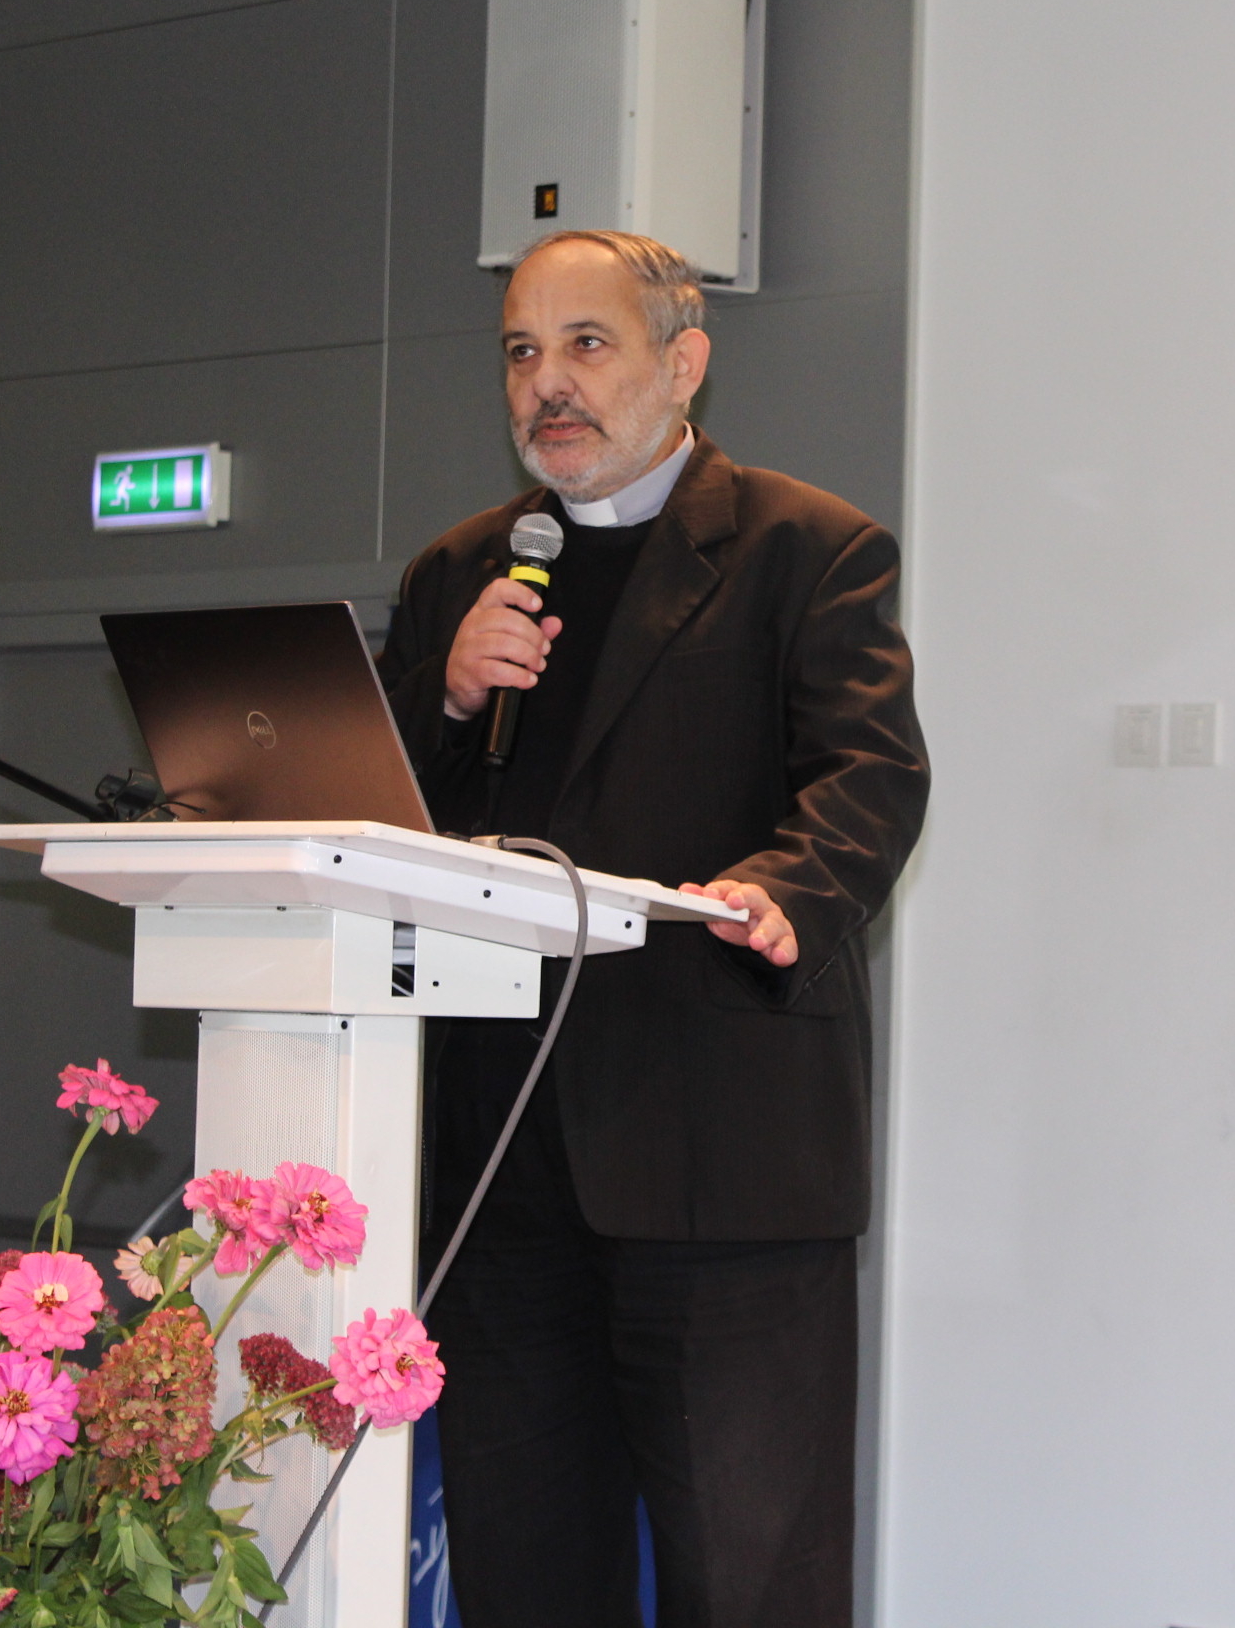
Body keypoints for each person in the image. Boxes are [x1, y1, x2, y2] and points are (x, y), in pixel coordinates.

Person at [378, 229, 927, 1627]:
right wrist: (444, 700)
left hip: (720, 1161)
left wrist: (788, 887)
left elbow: (870, 774)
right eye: (521, 351)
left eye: (586, 344)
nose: (546, 384)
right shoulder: (460, 573)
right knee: (525, 1575)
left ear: (684, 363)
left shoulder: (806, 548)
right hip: (499, 1164)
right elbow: (371, 816)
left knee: (748, 1582)